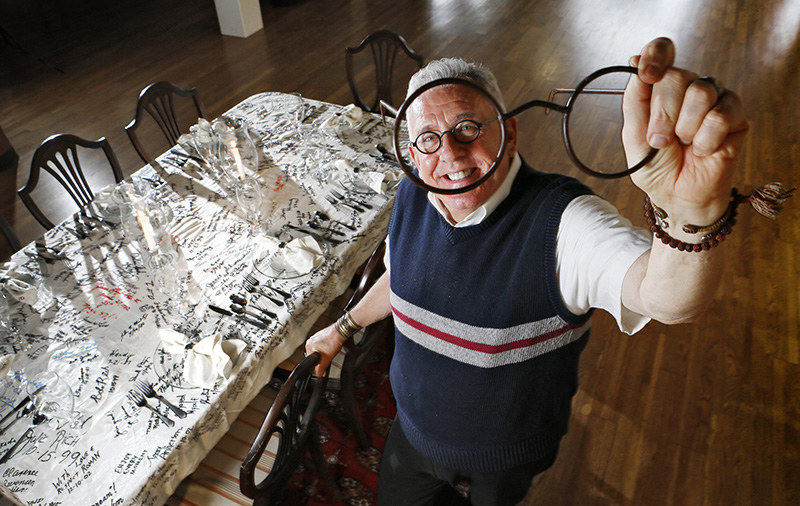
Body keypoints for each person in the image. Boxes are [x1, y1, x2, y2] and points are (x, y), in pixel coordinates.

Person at [306, 37, 749, 505]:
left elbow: (667, 300)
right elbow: (404, 274)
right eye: (429, 139)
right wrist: (342, 326)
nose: (451, 155)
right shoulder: (415, 192)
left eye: (468, 128)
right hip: (413, 431)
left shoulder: (565, 222)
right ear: (412, 153)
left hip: (507, 455)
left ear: (509, 133)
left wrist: (692, 215)